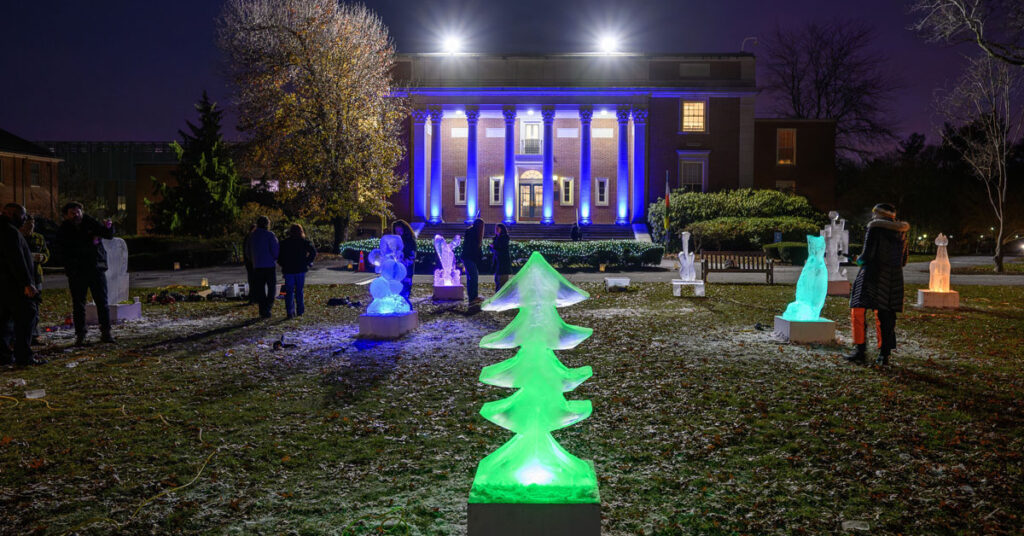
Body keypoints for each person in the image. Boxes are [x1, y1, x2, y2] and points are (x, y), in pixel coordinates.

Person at [846, 203, 910, 366]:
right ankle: (884, 354)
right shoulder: (901, 232)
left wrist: (857, 259)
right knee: (886, 315)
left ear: (878, 214)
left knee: (858, 310)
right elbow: (903, 260)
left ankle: (860, 350)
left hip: (871, 275)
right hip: (892, 279)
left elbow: (866, 256)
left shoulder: (875, 228)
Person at [57, 201, 115, 346]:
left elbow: (108, 234)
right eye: (72, 213)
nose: (76, 215)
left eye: (78, 212)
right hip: (77, 271)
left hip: (95, 268)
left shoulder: (90, 222)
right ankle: (81, 334)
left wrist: (109, 227)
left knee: (102, 302)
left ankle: (106, 332)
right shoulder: (64, 229)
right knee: (78, 304)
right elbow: (63, 250)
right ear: (66, 215)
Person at [0, 204, 43, 366]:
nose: (24, 219)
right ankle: (23, 355)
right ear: (12, 214)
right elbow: (16, 259)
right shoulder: (10, 232)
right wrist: (27, 283)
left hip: (4, 284)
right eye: (22, 216)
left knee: (4, 321)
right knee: (26, 316)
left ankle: (4, 355)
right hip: (14, 285)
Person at [277, 224, 317, 319]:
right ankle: (300, 311)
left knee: (289, 291)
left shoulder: (285, 243)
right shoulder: (304, 242)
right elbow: (313, 252)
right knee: (299, 290)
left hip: (288, 269)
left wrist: (283, 264)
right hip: (300, 268)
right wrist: (307, 262)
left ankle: (290, 312)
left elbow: (279, 256)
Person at [20, 214, 49, 345]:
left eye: (32, 225)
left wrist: (42, 258)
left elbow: (46, 253)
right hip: (22, 275)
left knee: (35, 305)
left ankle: (34, 334)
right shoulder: (18, 237)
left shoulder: (39, 238)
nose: (30, 228)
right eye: (27, 226)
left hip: (36, 276)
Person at [246, 216, 279, 319]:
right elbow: (275, 250)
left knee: (260, 289)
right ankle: (268, 307)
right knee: (271, 288)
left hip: (257, 266)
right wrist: (274, 258)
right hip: (269, 265)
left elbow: (248, 251)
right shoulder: (270, 235)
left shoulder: (252, 236)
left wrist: (253, 260)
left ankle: (262, 309)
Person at [392, 219, 417, 305]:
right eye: (396, 231)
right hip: (397, 270)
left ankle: (405, 306)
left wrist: (403, 262)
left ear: (405, 230)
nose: (398, 233)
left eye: (400, 231)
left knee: (405, 290)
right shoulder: (394, 241)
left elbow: (412, 256)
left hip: (407, 269)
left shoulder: (410, 241)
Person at [462, 218, 485, 304]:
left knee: (471, 277)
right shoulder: (474, 234)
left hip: (467, 257)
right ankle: (473, 297)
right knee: (474, 277)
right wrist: (480, 256)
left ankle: (472, 296)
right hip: (469, 258)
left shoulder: (471, 232)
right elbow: (474, 248)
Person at [490, 223, 512, 291]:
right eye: (496, 228)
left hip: (503, 263)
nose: (496, 230)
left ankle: (501, 295)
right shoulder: (496, 238)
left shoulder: (504, 238)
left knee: (502, 281)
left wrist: (494, 247)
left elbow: (501, 248)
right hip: (497, 263)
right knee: (497, 280)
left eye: (498, 228)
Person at [243, 223, 257, 305]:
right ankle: (253, 298)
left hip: (249, 262)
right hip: (252, 263)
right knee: (254, 280)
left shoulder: (248, 237)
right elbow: (248, 251)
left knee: (252, 280)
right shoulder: (251, 237)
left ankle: (252, 297)